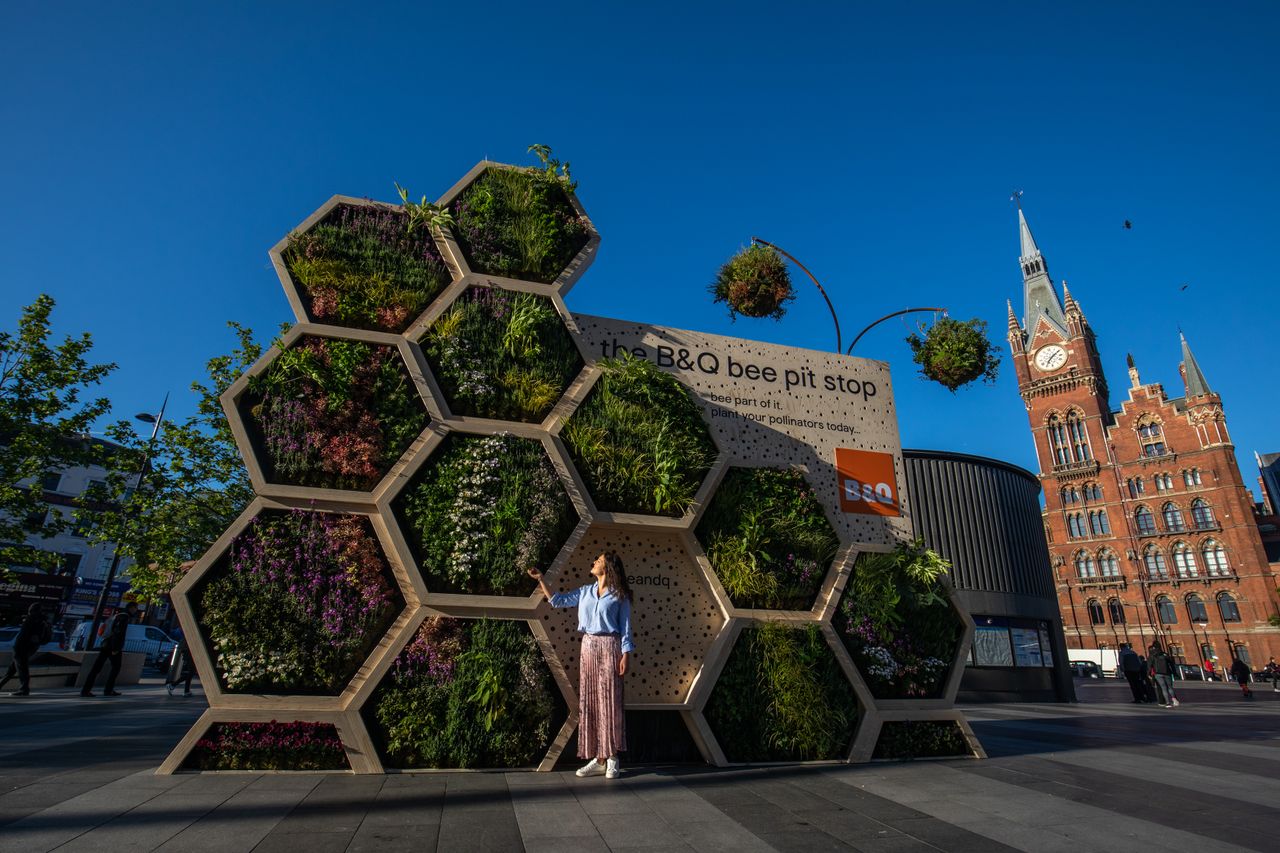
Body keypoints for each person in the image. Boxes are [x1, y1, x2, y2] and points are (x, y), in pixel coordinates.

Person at [529, 552, 633, 780]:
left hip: (610, 646)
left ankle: (613, 757)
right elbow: (557, 601)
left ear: (609, 566)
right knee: (592, 701)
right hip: (588, 647)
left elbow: (625, 628)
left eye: (599, 559)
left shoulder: (620, 596)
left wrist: (625, 654)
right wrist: (541, 580)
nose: (594, 561)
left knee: (609, 701)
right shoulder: (585, 591)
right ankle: (599, 758)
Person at [80, 602, 137, 697]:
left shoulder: (116, 615)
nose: (136, 610)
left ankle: (86, 690)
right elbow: (119, 632)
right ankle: (108, 689)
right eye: (135, 608)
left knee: (96, 668)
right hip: (112, 645)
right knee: (116, 667)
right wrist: (116, 648)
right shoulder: (124, 617)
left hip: (105, 643)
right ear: (131, 608)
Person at [0, 603, 52, 696]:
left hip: (22, 648)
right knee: (13, 669)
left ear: (32, 610)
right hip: (30, 648)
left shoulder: (33, 620)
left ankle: (24, 689)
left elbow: (28, 635)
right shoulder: (43, 621)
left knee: (22, 669)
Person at [165, 630, 196, 696]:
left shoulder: (187, 636)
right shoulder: (189, 637)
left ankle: (185, 691)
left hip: (187, 654)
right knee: (191, 672)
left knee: (191, 672)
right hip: (188, 654)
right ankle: (173, 685)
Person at [1148, 643, 1179, 707]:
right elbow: (1171, 664)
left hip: (1158, 674)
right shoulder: (1165, 654)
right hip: (1167, 673)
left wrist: (1149, 674)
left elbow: (1149, 666)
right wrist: (1174, 673)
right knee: (1170, 687)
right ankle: (1174, 699)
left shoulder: (1152, 655)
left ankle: (1168, 703)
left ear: (1154, 648)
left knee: (1163, 688)